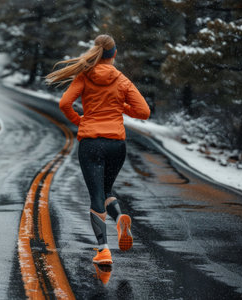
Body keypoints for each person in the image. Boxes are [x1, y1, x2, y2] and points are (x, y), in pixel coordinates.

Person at [46, 34, 150, 265]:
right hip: (116, 144)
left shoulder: (85, 76)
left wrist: (80, 121)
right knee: (106, 190)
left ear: (96, 52)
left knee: (96, 195)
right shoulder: (122, 80)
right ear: (113, 55)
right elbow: (144, 112)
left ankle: (103, 250)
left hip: (92, 143)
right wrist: (121, 106)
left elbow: (64, 104)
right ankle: (119, 217)